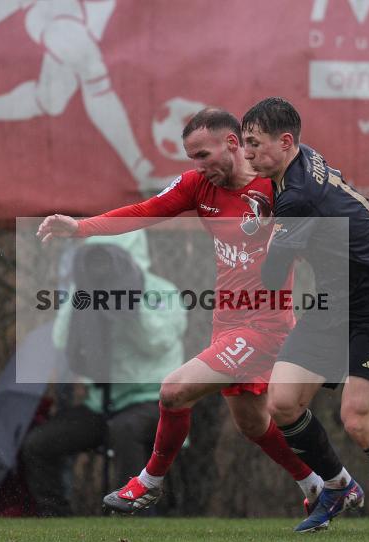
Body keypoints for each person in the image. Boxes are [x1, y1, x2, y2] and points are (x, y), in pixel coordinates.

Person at [37, 108, 332, 516]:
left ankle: (149, 482)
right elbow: (143, 211)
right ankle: (326, 485)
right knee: (252, 423)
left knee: (174, 390)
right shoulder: (198, 187)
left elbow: (327, 222)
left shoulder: (277, 185)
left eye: (203, 155)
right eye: (192, 157)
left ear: (232, 144)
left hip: (266, 322)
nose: (198, 166)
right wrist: (82, 227)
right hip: (227, 322)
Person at [240, 97, 369, 535]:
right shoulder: (300, 163)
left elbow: (274, 277)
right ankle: (338, 486)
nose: (248, 153)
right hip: (332, 302)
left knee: (358, 420)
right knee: (282, 403)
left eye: (254, 144)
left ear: (286, 141)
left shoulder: (298, 196)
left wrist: (261, 229)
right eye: (244, 144)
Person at [19, 231, 186, 516]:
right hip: (103, 403)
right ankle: (56, 520)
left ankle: (134, 515)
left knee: (124, 430)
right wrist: (84, 299)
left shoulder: (162, 291)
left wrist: (130, 306)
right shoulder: (84, 292)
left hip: (151, 400)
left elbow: (159, 342)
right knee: (39, 444)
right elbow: (61, 340)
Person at [0, 0, 172, 194]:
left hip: (90, 13)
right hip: (53, 9)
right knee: (92, 69)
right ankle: (142, 172)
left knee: (50, 101)